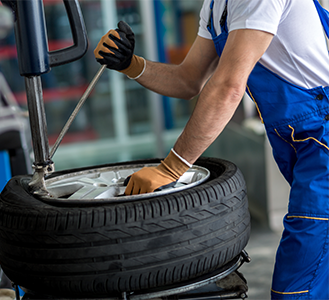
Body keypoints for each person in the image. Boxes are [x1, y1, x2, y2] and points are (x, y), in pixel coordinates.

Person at [94, 0, 329, 299]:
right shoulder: (216, 6)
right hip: (300, 142)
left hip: (321, 139)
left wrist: (171, 168)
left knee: (297, 286)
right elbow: (188, 80)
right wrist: (132, 65)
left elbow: (229, 85)